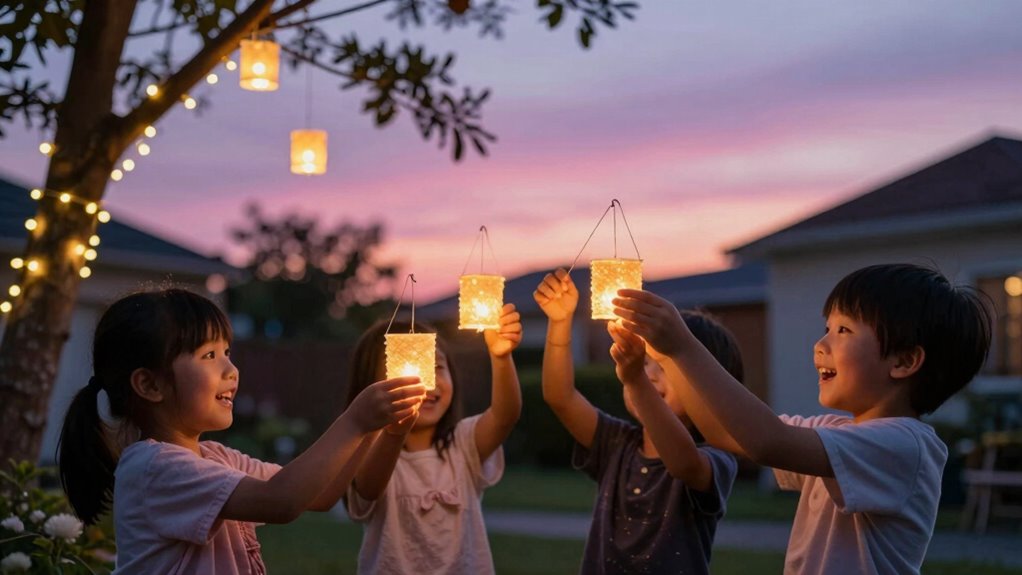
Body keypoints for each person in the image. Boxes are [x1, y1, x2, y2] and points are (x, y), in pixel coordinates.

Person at [613, 263, 993, 574]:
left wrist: (683, 345)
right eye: (827, 328)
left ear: (904, 361)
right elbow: (729, 435)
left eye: (843, 330)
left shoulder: (904, 446)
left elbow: (765, 440)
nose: (820, 344)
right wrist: (667, 357)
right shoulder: (836, 436)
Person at [57, 289, 425, 574]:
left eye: (227, 352)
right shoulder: (154, 468)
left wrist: (374, 428)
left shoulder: (217, 459)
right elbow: (282, 501)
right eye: (208, 356)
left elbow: (320, 495)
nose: (231, 369)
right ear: (149, 385)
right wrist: (355, 420)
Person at [535, 268, 742, 575]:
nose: (651, 373)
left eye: (666, 364)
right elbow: (559, 396)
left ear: (713, 385)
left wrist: (635, 380)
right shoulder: (616, 443)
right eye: (645, 360)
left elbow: (683, 464)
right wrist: (560, 322)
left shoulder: (717, 459)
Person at [344, 304, 522, 574]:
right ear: (370, 386)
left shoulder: (463, 444)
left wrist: (501, 357)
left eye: (437, 366)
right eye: (406, 365)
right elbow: (368, 486)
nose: (427, 382)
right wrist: (396, 428)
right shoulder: (366, 452)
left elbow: (505, 415)